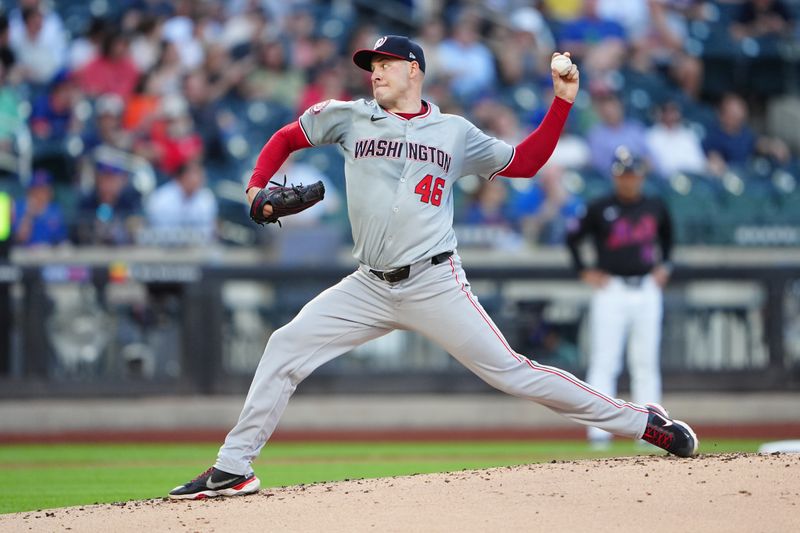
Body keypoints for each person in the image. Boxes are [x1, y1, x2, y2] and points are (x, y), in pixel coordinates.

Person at [169, 35, 698, 500]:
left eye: (386, 62)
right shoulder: (350, 116)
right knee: (285, 345)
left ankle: (643, 423)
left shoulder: (454, 132)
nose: (375, 71)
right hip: (368, 284)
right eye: (371, 64)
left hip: (434, 280)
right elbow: (286, 138)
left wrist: (560, 104)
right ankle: (233, 468)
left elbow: (527, 163)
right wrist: (257, 188)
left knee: (514, 374)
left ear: (414, 70)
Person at [565, 147, 675, 448]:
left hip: (646, 288)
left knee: (646, 362)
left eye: (632, 173)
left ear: (641, 175)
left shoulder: (654, 205)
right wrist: (583, 271)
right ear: (615, 175)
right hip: (611, 288)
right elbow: (572, 237)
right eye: (622, 173)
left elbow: (667, 237)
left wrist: (664, 266)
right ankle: (599, 432)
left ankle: (653, 432)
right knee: (605, 361)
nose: (628, 179)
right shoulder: (600, 207)